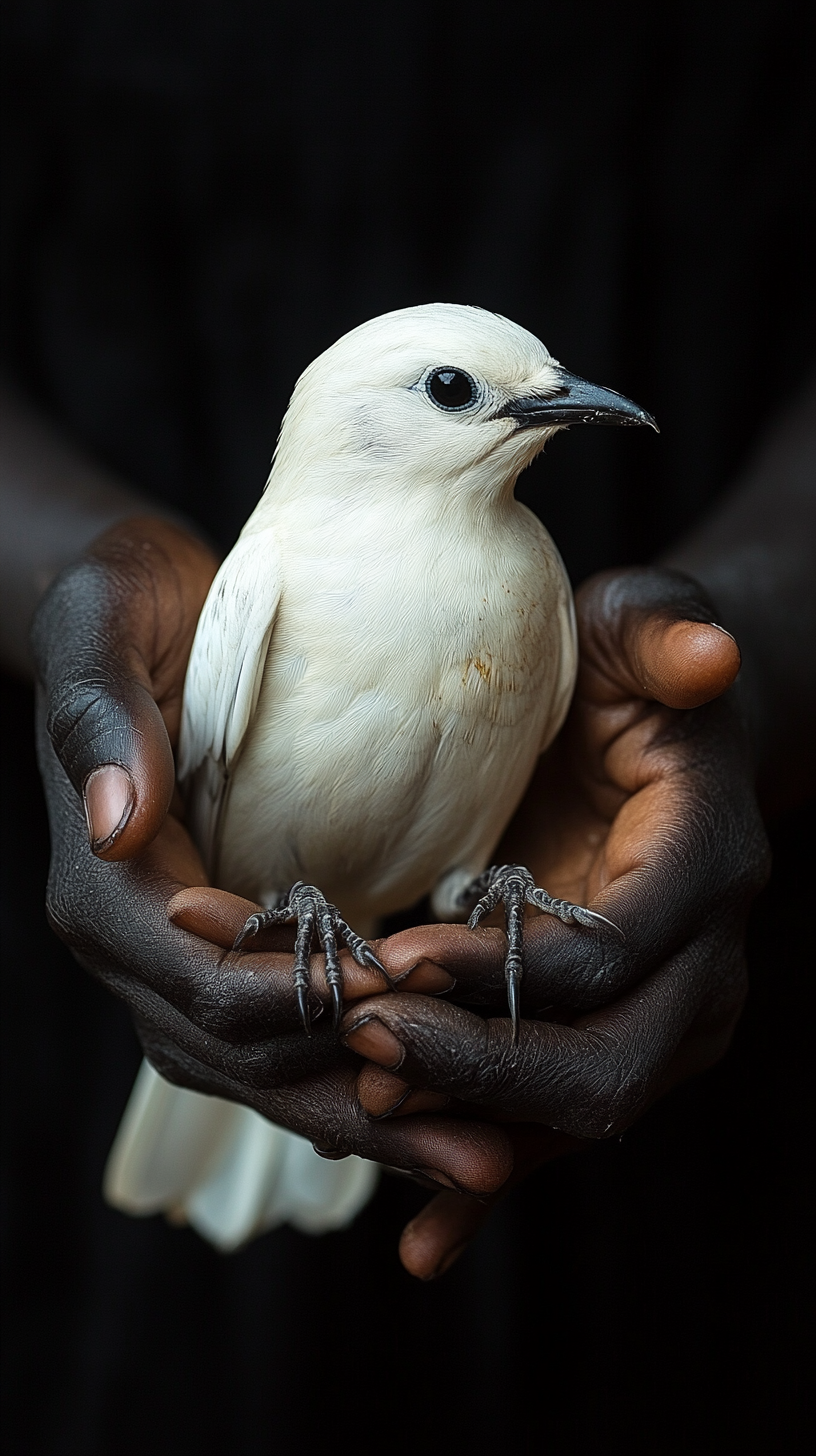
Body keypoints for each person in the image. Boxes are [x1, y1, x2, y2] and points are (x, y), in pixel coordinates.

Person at [2, 4, 813, 1451]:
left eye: (539, 395)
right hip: (225, 949)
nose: (538, 411)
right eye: (467, 397)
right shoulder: (270, 577)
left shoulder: (532, 582)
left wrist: (747, 682)